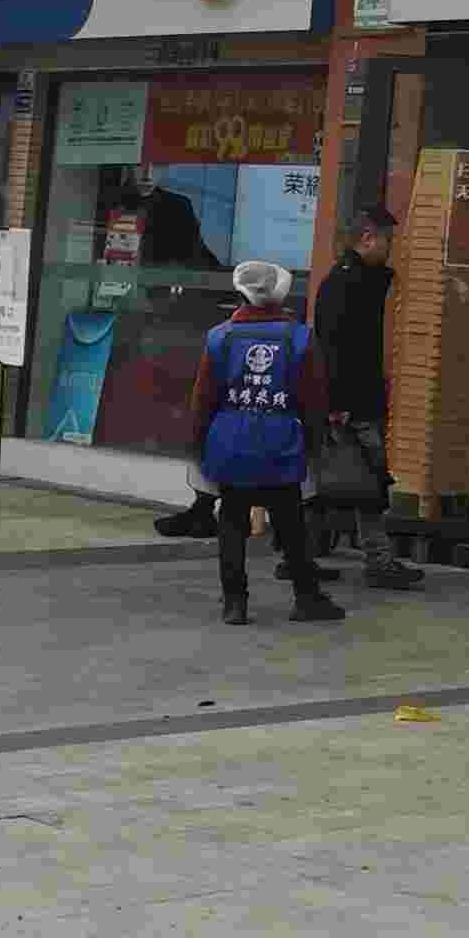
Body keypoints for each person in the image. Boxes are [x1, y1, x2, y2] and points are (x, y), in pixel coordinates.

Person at [186, 258, 341, 627]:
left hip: (230, 442)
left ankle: (234, 603)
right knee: (290, 523)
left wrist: (197, 444)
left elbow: (203, 399)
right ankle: (306, 598)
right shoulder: (300, 337)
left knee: (232, 522)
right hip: (280, 443)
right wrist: (315, 444)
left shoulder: (219, 337)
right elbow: (314, 400)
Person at [283, 203, 424, 593]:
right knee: (366, 483)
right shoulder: (345, 284)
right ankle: (376, 561)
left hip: (353, 400)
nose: (392, 249)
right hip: (352, 403)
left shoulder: (355, 278)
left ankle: (298, 557)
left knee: (333, 481)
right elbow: (334, 349)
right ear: (367, 238)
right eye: (388, 241)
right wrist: (338, 404)